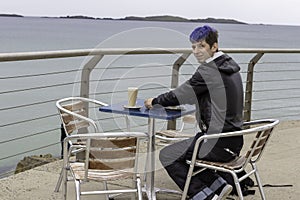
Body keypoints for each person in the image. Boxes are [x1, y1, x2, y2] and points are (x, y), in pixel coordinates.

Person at [144, 25, 244, 200]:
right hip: (233, 141)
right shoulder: (229, 67)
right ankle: (218, 187)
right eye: (193, 47)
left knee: (168, 155)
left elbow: (181, 94)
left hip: (216, 143)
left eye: (202, 46)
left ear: (214, 46)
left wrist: (155, 101)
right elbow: (200, 92)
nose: (197, 51)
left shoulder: (209, 70)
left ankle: (204, 196)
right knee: (189, 148)